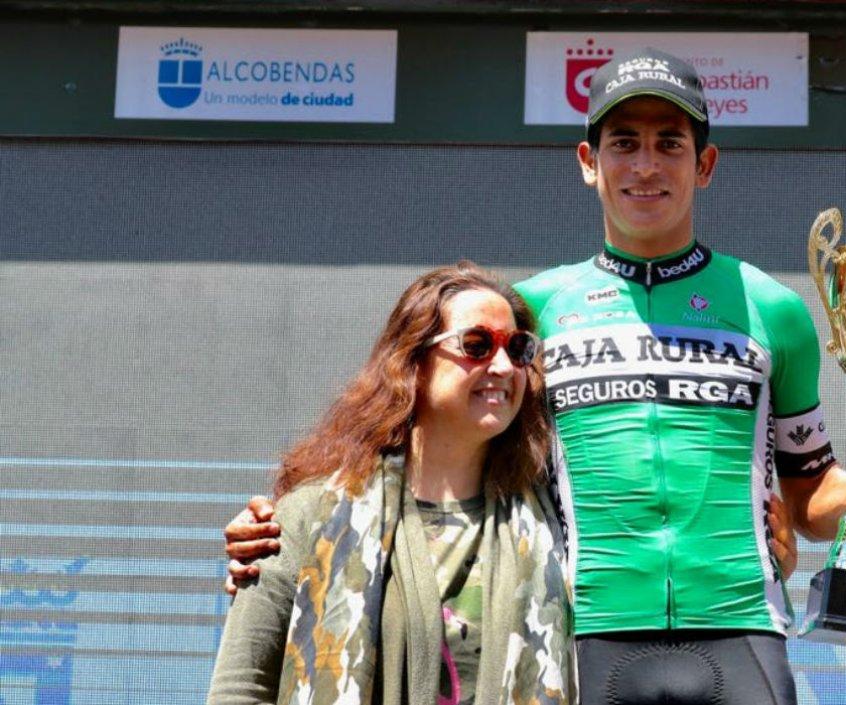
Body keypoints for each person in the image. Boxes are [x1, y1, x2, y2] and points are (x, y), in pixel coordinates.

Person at [224, 48, 846, 704]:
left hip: (743, 629)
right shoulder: (533, 310)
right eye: (623, 143)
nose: (646, 166)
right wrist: (282, 526)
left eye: (669, 144)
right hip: (578, 630)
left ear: (706, 163)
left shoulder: (773, 310)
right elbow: (415, 433)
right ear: (588, 162)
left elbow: (810, 494)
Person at [207, 263, 573, 705]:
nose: (502, 366)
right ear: (413, 361)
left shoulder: (558, 521)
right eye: (476, 345)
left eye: (517, 349)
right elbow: (240, 689)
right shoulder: (308, 518)